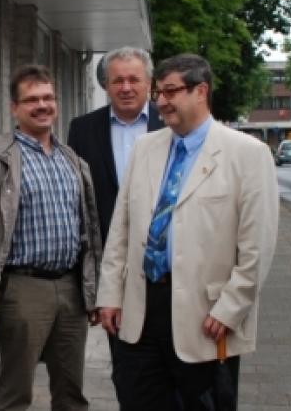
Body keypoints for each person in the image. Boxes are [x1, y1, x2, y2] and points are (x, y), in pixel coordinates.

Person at [96, 53, 279, 410]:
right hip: (140, 311)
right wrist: (110, 294)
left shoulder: (247, 154)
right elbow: (123, 227)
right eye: (158, 93)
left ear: (201, 91)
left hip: (206, 317)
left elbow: (257, 247)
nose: (161, 102)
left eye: (171, 91)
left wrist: (230, 309)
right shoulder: (145, 149)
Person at [0, 64, 101, 411]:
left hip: (71, 288)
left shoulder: (71, 158)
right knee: (16, 393)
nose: (42, 105)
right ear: (14, 107)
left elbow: (88, 227)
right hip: (22, 288)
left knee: (72, 392)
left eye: (48, 97)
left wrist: (92, 289)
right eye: (32, 99)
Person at [67, 46, 164, 397]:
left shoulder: (170, 121)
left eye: (134, 79)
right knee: (128, 371)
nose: (126, 87)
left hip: (169, 268)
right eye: (117, 80)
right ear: (106, 85)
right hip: (116, 271)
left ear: (149, 83)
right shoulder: (82, 129)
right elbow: (76, 202)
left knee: (175, 371)